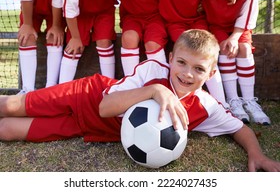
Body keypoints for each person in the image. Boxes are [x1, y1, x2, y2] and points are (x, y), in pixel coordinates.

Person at [0, 29, 279, 172]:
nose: (187, 73)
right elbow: (105, 107)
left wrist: (257, 154)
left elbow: (238, 129)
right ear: (170, 59)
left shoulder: (205, 106)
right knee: (10, 106)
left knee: (8, 130)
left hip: (88, 129)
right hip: (85, 95)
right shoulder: (152, 71)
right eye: (181, 62)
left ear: (212, 73)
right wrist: (155, 91)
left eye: (198, 69)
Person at [201, 0, 270, 125]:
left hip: (239, 27)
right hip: (216, 27)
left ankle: (249, 100)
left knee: (244, 49)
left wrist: (236, 36)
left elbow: (249, 15)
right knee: (225, 48)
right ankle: (233, 101)